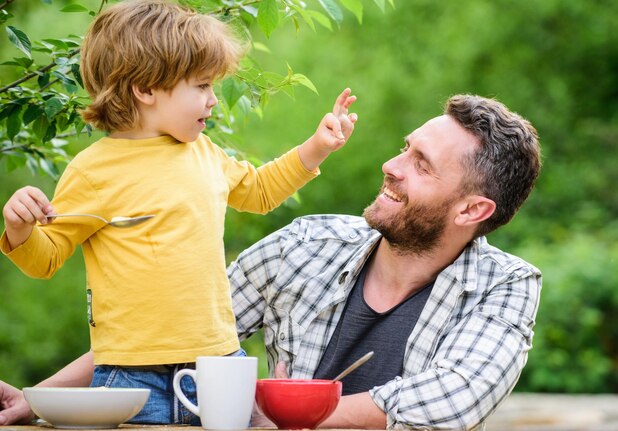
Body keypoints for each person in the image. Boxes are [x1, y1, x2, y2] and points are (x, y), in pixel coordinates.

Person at [0, 94, 541, 430]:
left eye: (420, 164)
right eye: (405, 147)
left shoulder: (506, 286)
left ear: (473, 209)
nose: (391, 165)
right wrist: (38, 398)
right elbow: (169, 330)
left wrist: (285, 411)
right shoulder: (307, 243)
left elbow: (451, 399)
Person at [0, 0, 356, 425]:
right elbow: (46, 258)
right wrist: (19, 227)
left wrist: (317, 147)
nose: (213, 101)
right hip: (130, 379)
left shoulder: (202, 151)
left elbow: (259, 191)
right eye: (202, 86)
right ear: (146, 89)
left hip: (218, 365)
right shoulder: (93, 171)